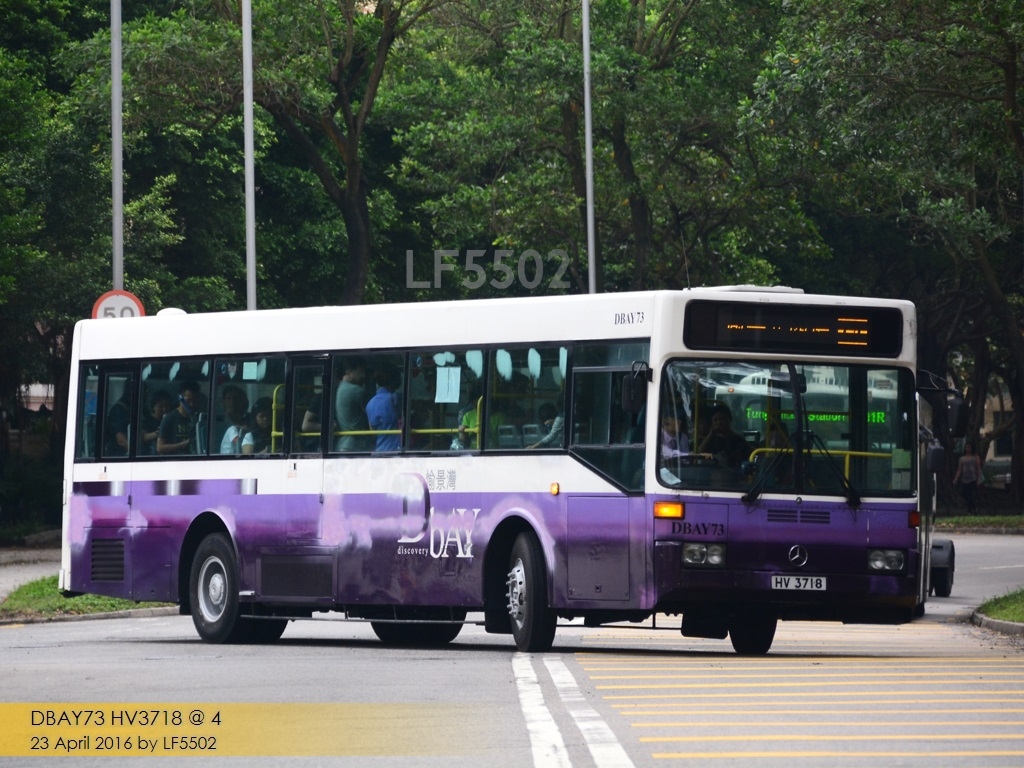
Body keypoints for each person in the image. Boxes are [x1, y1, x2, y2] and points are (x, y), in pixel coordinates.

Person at [697, 404, 752, 468]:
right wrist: (711, 434)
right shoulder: (709, 440)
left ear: (730, 420)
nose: (719, 423)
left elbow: (751, 452)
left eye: (722, 419)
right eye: (715, 420)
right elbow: (699, 454)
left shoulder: (737, 440)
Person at [334, 358, 370, 451]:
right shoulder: (358, 391)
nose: (363, 375)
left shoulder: (338, 388)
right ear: (349, 373)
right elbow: (372, 415)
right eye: (360, 372)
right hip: (356, 445)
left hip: (342, 444)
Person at [157, 381, 201, 455]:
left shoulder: (199, 418)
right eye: (188, 401)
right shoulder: (169, 418)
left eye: (195, 401)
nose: (192, 404)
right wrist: (184, 444)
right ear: (180, 398)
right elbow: (160, 448)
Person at [366, 366, 401, 452]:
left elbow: (372, 433)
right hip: (396, 450)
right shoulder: (395, 398)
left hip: (379, 450)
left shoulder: (370, 404)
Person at [219, 385, 252, 455]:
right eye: (228, 398)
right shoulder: (217, 421)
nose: (232, 402)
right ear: (223, 401)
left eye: (235, 398)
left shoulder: (251, 419)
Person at [953, 441, 983, 514]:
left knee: (971, 495)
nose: (968, 449)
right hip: (964, 479)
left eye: (969, 447)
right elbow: (960, 470)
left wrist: (978, 479)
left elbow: (978, 468)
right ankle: (972, 508)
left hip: (973, 479)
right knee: (965, 495)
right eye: (966, 447)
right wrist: (956, 479)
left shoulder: (975, 457)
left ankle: (972, 509)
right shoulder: (962, 459)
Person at [139, 390, 172, 455]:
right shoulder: (146, 420)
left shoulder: (171, 420)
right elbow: (143, 437)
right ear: (153, 407)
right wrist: (158, 433)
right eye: (160, 406)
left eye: (167, 406)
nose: (164, 409)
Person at [103, 391, 131, 457]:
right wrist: (136, 453)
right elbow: (121, 440)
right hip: (117, 454)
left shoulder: (138, 409)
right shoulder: (118, 410)